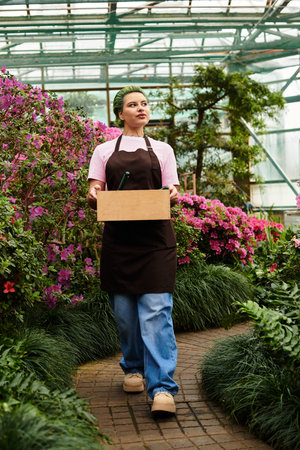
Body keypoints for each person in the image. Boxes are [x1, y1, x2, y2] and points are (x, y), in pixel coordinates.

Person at [87, 86, 179, 415]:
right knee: (126, 318)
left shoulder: (164, 150)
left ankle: (163, 388)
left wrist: (168, 194)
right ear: (120, 113)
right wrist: (96, 194)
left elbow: (172, 190)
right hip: (120, 242)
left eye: (144, 103)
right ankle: (134, 367)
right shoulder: (104, 151)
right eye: (132, 104)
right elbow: (94, 188)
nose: (140, 108)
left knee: (155, 314)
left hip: (155, 242)